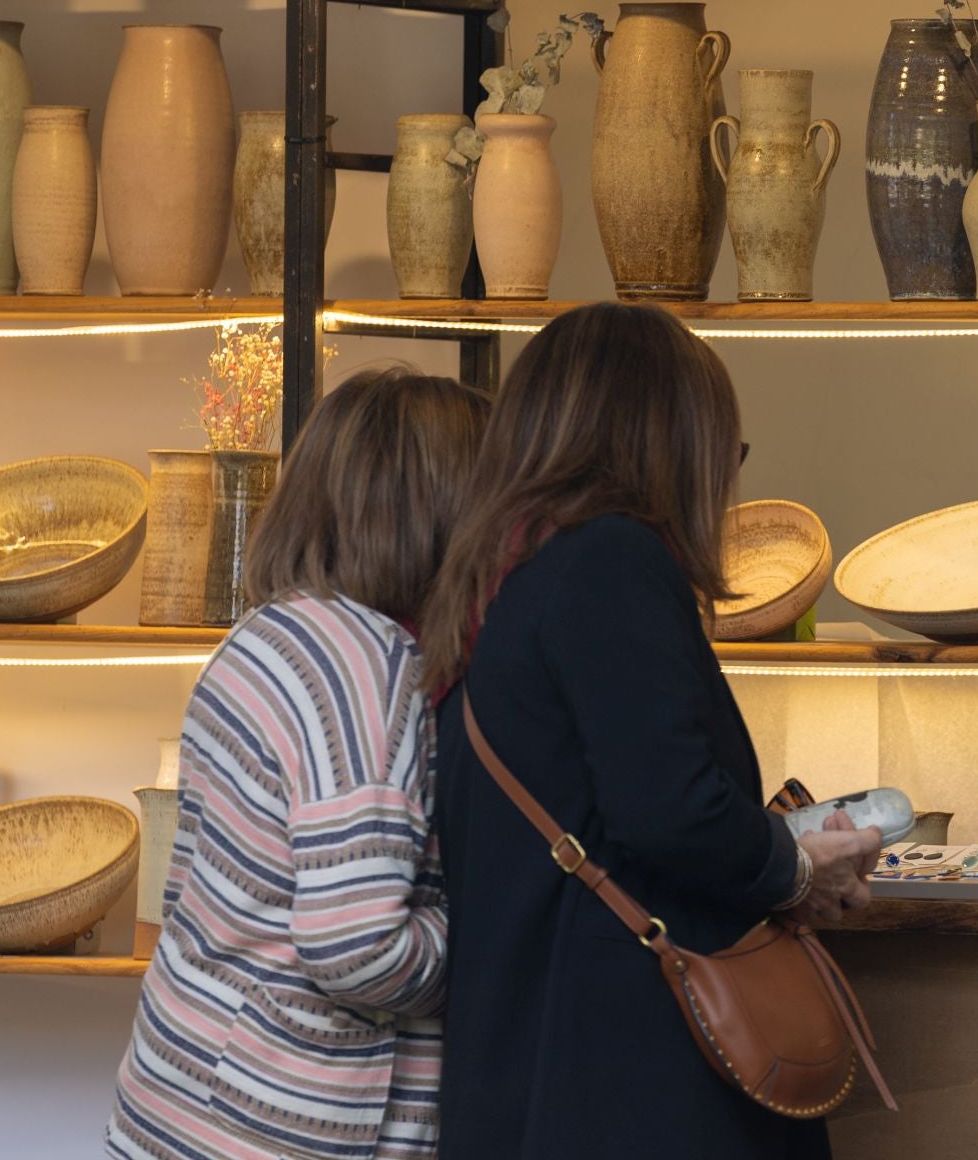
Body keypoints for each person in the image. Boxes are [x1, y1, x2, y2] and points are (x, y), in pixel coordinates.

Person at [421, 302, 883, 1160]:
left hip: (531, 1070)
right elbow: (670, 807)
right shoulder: (611, 560)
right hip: (634, 1080)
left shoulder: (499, 580)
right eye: (722, 454)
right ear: (668, 446)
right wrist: (794, 865)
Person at [105, 367, 491, 1160]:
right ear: (439, 511)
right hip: (280, 1120)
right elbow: (359, 950)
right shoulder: (374, 673)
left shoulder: (270, 633)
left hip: (182, 1096)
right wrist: (494, 935)